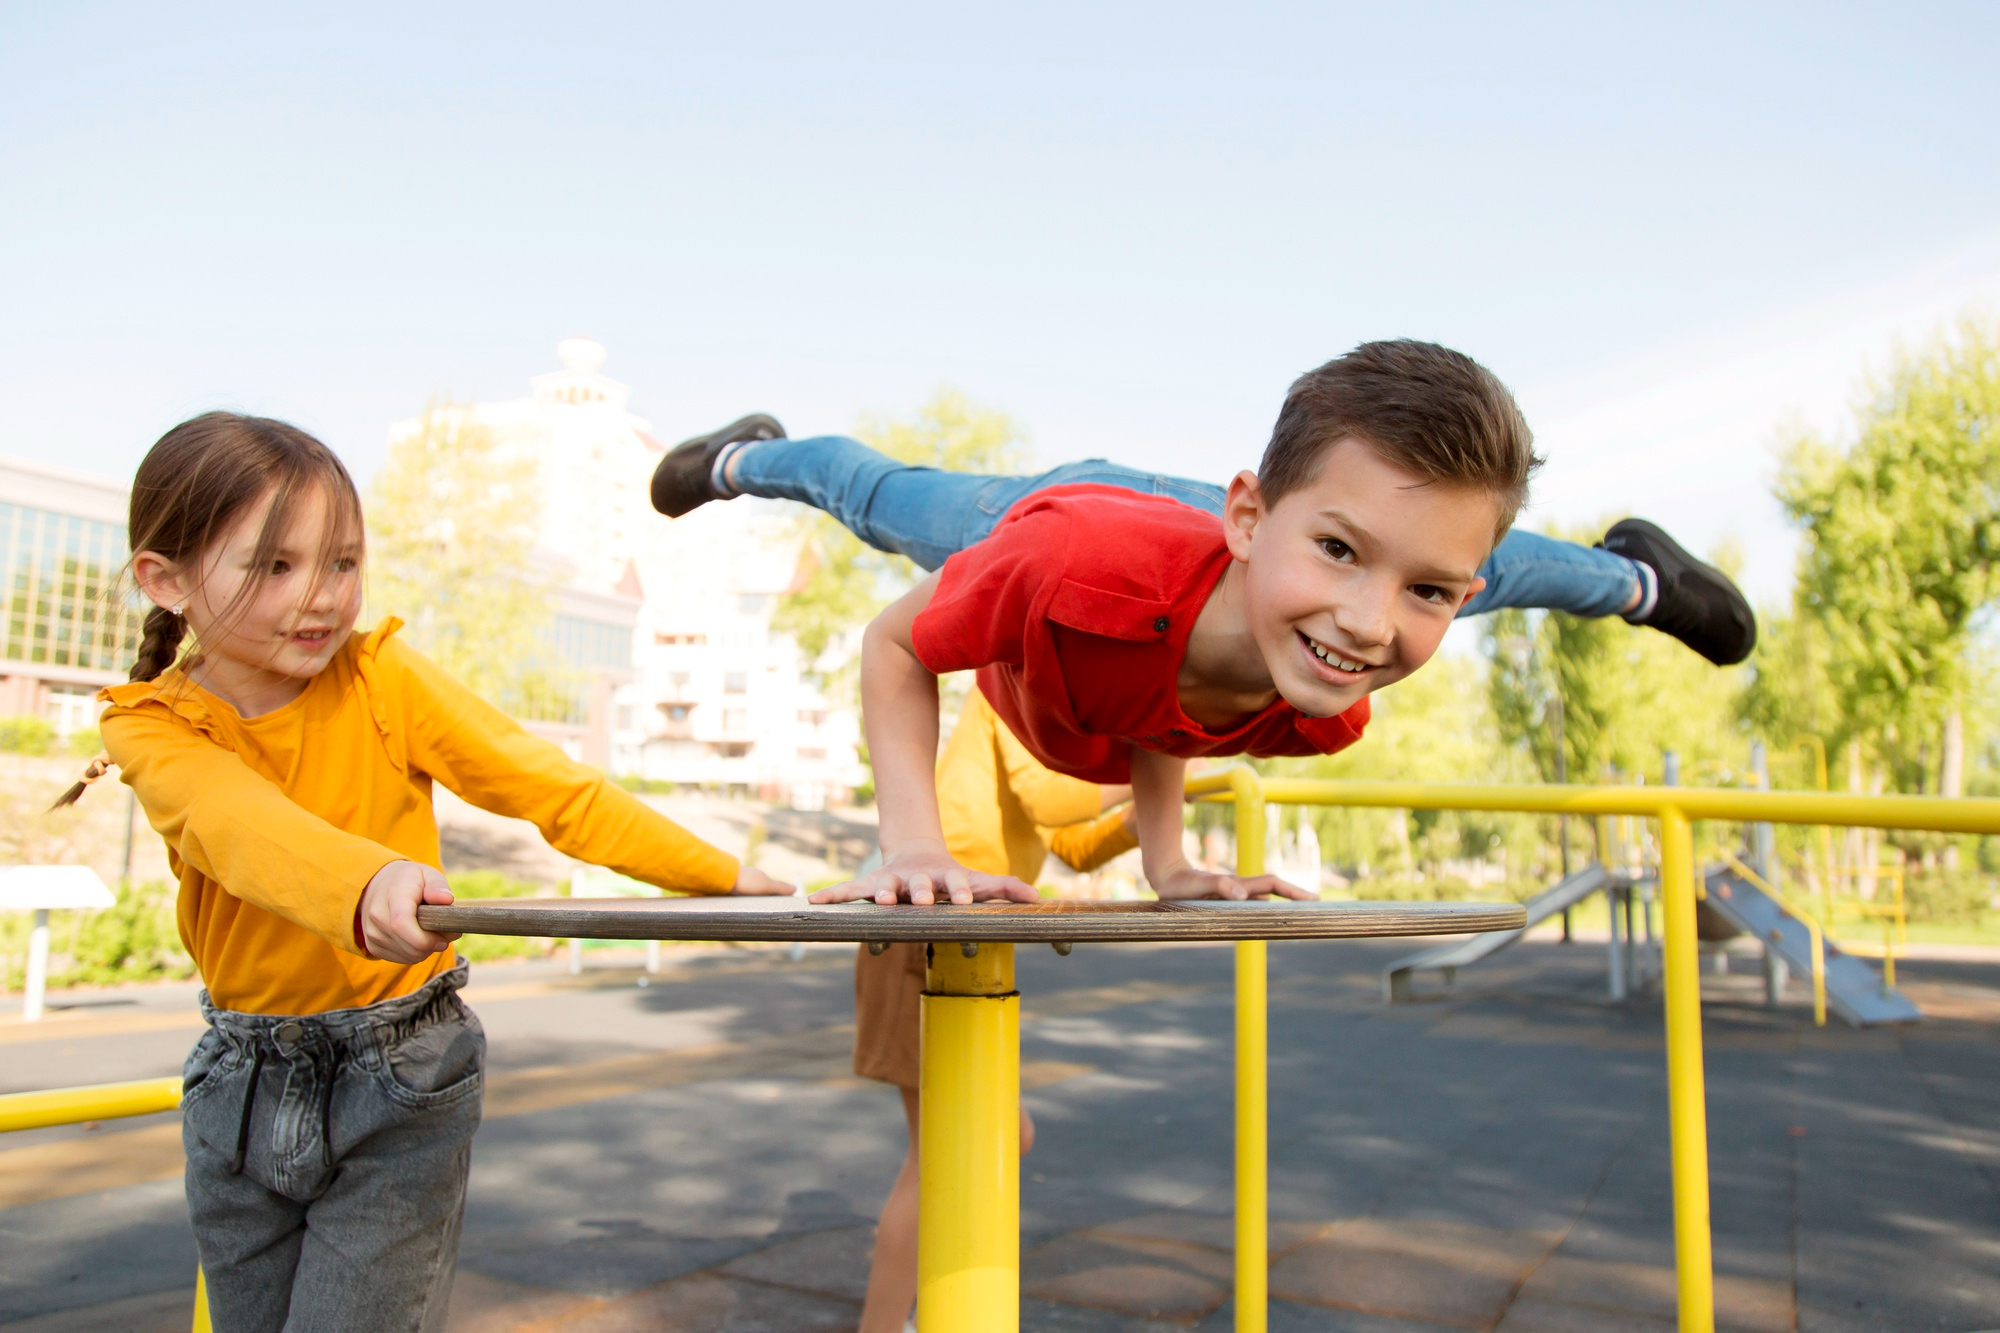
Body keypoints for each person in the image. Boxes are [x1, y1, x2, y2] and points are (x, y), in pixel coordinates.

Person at [60, 413, 793, 1332]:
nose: (321, 596)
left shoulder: (380, 678)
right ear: (164, 580)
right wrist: (363, 882)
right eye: (272, 566)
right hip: (242, 1082)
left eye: (342, 562)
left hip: (398, 1068)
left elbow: (548, 786)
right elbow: (230, 822)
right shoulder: (151, 723)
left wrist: (724, 874)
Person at [649, 340, 1755, 908]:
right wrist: (912, 846)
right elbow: (894, 646)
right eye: (1335, 555)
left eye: (1424, 596)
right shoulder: (1052, 562)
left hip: (1221, 551)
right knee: (884, 502)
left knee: (1477, 558)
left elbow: (1165, 705)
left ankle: (1634, 579)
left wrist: (1166, 863)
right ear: (1247, 516)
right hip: (1072, 518)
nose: (1372, 626)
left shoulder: (1326, 641)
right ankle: (748, 455)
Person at [852, 692, 1135, 1332]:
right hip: (916, 919)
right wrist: (1166, 769)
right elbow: (1050, 801)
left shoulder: (1059, 719)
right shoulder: (1006, 686)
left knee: (994, 1138)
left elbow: (1070, 841)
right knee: (940, 1155)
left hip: (956, 929)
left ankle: (919, 1315)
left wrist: (1145, 814)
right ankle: (886, 1324)